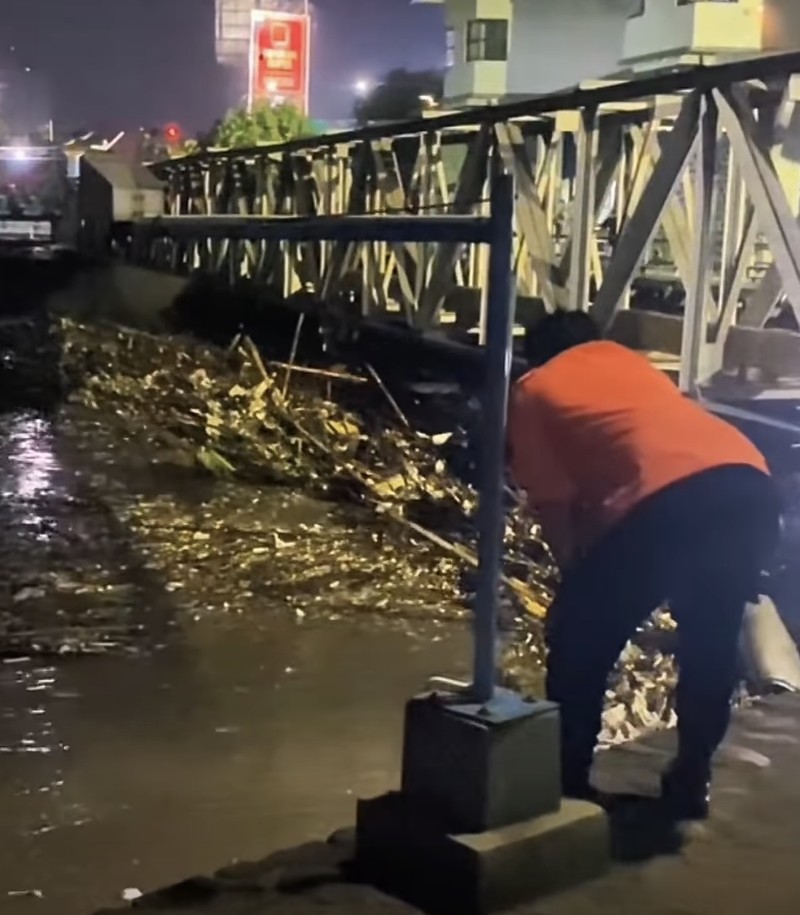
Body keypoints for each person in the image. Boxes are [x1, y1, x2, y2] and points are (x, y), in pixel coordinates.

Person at [507, 309, 781, 820]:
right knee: (710, 644)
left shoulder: (533, 386)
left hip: (666, 502)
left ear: (534, 354)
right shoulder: (630, 364)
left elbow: (555, 501)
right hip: (749, 485)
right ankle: (691, 779)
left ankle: (567, 788)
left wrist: (575, 584)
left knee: (578, 642)